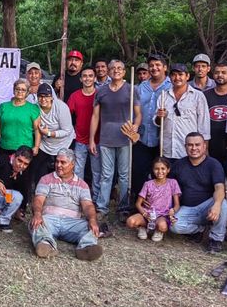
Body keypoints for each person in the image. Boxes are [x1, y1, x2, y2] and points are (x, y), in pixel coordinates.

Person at [29, 149, 103, 261]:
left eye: (63, 162)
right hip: (49, 220)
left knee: (90, 227)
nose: (58, 165)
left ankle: (86, 248)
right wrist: (38, 214)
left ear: (72, 164)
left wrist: (92, 220)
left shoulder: (82, 185)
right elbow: (38, 200)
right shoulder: (46, 179)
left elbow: (88, 206)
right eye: (57, 162)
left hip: (72, 223)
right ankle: (46, 245)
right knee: (36, 223)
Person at [90, 60, 141, 219]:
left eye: (119, 68)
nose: (116, 71)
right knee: (106, 174)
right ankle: (102, 207)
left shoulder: (131, 90)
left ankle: (123, 208)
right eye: (112, 68)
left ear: (124, 72)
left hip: (125, 138)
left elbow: (138, 114)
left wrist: (135, 128)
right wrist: (92, 139)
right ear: (108, 71)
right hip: (106, 139)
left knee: (124, 174)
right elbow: (95, 116)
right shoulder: (101, 91)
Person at [169, 132, 227, 254]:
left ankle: (216, 239)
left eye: (197, 144)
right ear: (185, 146)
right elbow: (168, 187)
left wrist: (216, 205)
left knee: (222, 204)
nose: (194, 148)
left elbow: (219, 187)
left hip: (207, 207)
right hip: (186, 208)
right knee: (173, 226)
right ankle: (199, 230)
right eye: (190, 145)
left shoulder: (213, 164)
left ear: (204, 146)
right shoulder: (178, 165)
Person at [132, 54, 171, 195]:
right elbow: (134, 110)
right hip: (142, 137)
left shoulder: (171, 86)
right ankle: (137, 206)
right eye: (152, 66)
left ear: (164, 67)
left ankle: (159, 205)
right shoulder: (140, 87)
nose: (154, 68)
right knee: (138, 173)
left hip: (162, 138)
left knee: (160, 173)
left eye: (158, 65)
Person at [156, 63, 210, 159]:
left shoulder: (197, 96)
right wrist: (159, 116)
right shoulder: (163, 96)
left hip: (189, 152)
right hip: (167, 150)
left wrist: (204, 150)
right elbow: (157, 122)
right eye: (174, 75)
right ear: (170, 77)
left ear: (187, 76)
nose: (177, 78)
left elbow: (204, 126)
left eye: (180, 74)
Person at [68, 67, 102, 204]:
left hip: (98, 139)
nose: (87, 78)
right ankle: (79, 197)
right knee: (78, 170)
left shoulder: (100, 94)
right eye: (85, 76)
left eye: (90, 76)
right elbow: (67, 115)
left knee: (97, 171)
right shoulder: (75, 96)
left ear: (95, 78)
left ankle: (95, 198)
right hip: (80, 139)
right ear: (81, 79)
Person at [126, 157, 181, 242]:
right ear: (153, 170)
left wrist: (173, 210)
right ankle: (142, 227)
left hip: (162, 215)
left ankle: (158, 230)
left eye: (163, 169)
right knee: (130, 221)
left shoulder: (172, 183)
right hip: (148, 214)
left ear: (168, 170)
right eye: (156, 169)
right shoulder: (148, 184)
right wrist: (144, 214)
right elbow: (138, 204)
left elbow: (177, 204)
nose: (160, 172)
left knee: (162, 226)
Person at [0, 78, 41, 163]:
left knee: (22, 175)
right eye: (17, 89)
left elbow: (37, 129)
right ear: (14, 90)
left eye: (23, 90)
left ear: (27, 92)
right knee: (5, 172)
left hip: (25, 149)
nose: (20, 92)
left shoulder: (33, 108)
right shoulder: (4, 106)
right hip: (5, 146)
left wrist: (36, 146)